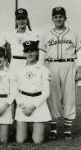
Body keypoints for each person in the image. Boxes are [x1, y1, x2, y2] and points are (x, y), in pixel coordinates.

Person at [39, 6, 81, 140]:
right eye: (56, 16)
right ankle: (54, 129)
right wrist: (40, 69)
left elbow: (79, 51)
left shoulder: (74, 33)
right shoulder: (45, 34)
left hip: (69, 64)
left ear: (65, 18)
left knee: (69, 96)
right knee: (52, 97)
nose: (58, 19)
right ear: (52, 18)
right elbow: (41, 54)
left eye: (61, 16)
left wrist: (79, 68)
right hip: (51, 64)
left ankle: (68, 129)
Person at [15, 40, 51, 144]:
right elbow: (15, 90)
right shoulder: (19, 69)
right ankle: (26, 128)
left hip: (38, 103)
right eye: (27, 51)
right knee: (20, 140)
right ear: (24, 53)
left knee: (37, 140)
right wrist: (21, 104)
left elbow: (46, 93)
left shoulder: (43, 69)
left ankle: (36, 128)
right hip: (23, 102)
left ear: (37, 52)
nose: (30, 54)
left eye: (32, 51)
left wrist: (33, 106)